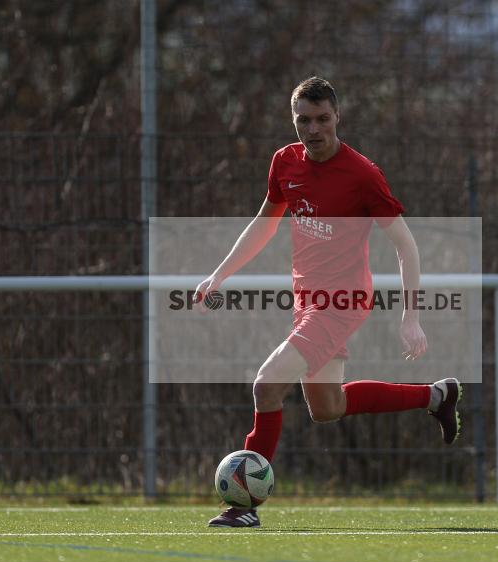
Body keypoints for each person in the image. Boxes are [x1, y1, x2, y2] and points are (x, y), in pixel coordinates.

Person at [196, 77, 462, 528]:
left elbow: (406, 245)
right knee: (327, 408)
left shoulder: (362, 174)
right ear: (293, 120)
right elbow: (265, 223)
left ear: (337, 117)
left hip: (341, 301)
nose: (313, 128)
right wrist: (220, 274)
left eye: (322, 119)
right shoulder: (285, 162)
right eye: (304, 119)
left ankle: (245, 506)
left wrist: (410, 318)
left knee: (266, 385)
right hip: (309, 301)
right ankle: (437, 396)